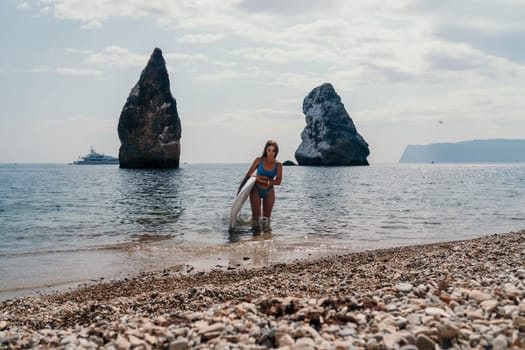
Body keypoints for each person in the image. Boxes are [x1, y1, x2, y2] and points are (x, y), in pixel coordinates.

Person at [238, 140, 283, 222]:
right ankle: (256, 234)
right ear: (265, 150)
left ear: (276, 152)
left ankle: (267, 235)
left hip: (269, 192)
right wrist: (240, 188)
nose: (271, 153)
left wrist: (262, 180)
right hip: (256, 190)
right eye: (269, 150)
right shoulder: (259, 160)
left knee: (266, 219)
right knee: (255, 218)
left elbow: (278, 181)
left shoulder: (278, 165)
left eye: (273, 151)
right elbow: (248, 174)